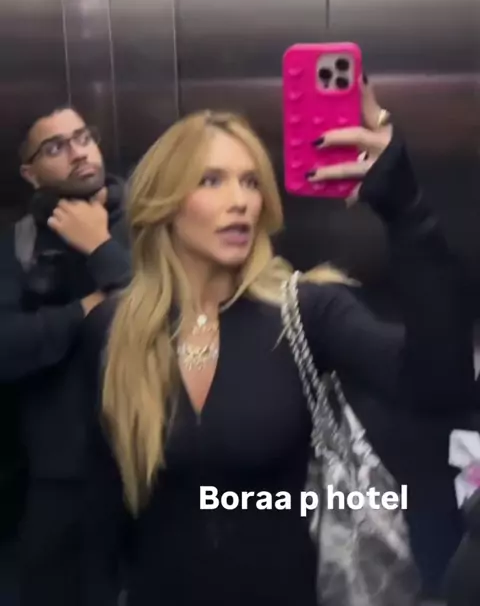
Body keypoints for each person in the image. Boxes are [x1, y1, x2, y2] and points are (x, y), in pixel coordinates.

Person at [81, 81, 474, 606]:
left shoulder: (306, 311)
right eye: (211, 180)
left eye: (250, 182)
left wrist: (406, 208)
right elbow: (97, 506)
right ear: (165, 203)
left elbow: (440, 385)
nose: (240, 201)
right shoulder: (115, 328)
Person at [0, 106, 131, 606]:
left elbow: (171, 326)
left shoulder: (149, 224)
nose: (78, 153)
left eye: (83, 137)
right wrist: (85, 309)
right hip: (60, 475)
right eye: (55, 147)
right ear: (30, 173)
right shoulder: (18, 246)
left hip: (154, 463)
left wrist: (102, 248)